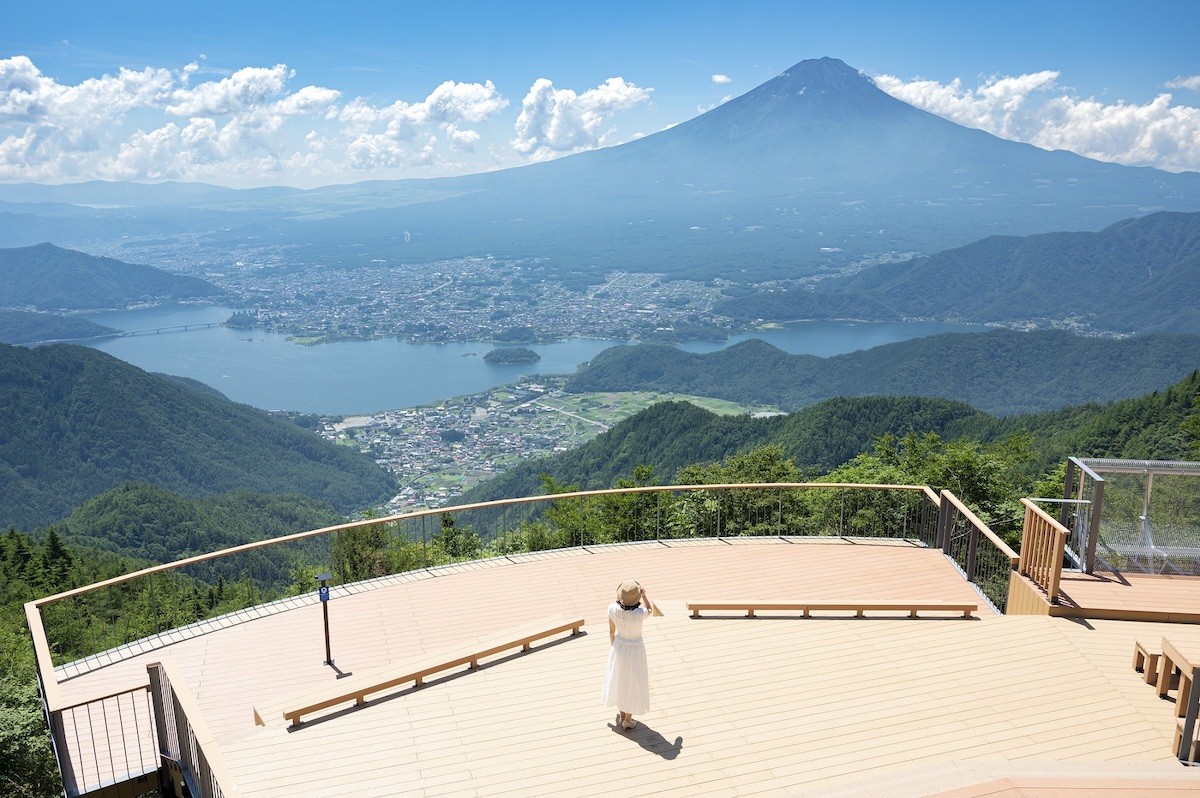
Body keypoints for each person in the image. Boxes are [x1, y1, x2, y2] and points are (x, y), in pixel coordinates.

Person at [601, 579, 653, 730]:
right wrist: (644, 596)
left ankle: (622, 715)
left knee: (619, 678)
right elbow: (650, 609)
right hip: (635, 648)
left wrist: (614, 646)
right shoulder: (640, 613)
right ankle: (628, 720)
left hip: (619, 646)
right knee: (634, 681)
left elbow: (611, 631)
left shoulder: (612, 609)